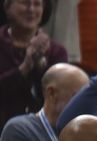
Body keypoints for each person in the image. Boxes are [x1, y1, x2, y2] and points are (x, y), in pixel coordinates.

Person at [0, 0, 67, 131]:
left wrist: (40, 65)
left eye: (37, 4)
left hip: (38, 132)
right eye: (24, 3)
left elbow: (58, 100)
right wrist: (25, 67)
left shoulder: (56, 51)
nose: (31, 9)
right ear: (7, 7)